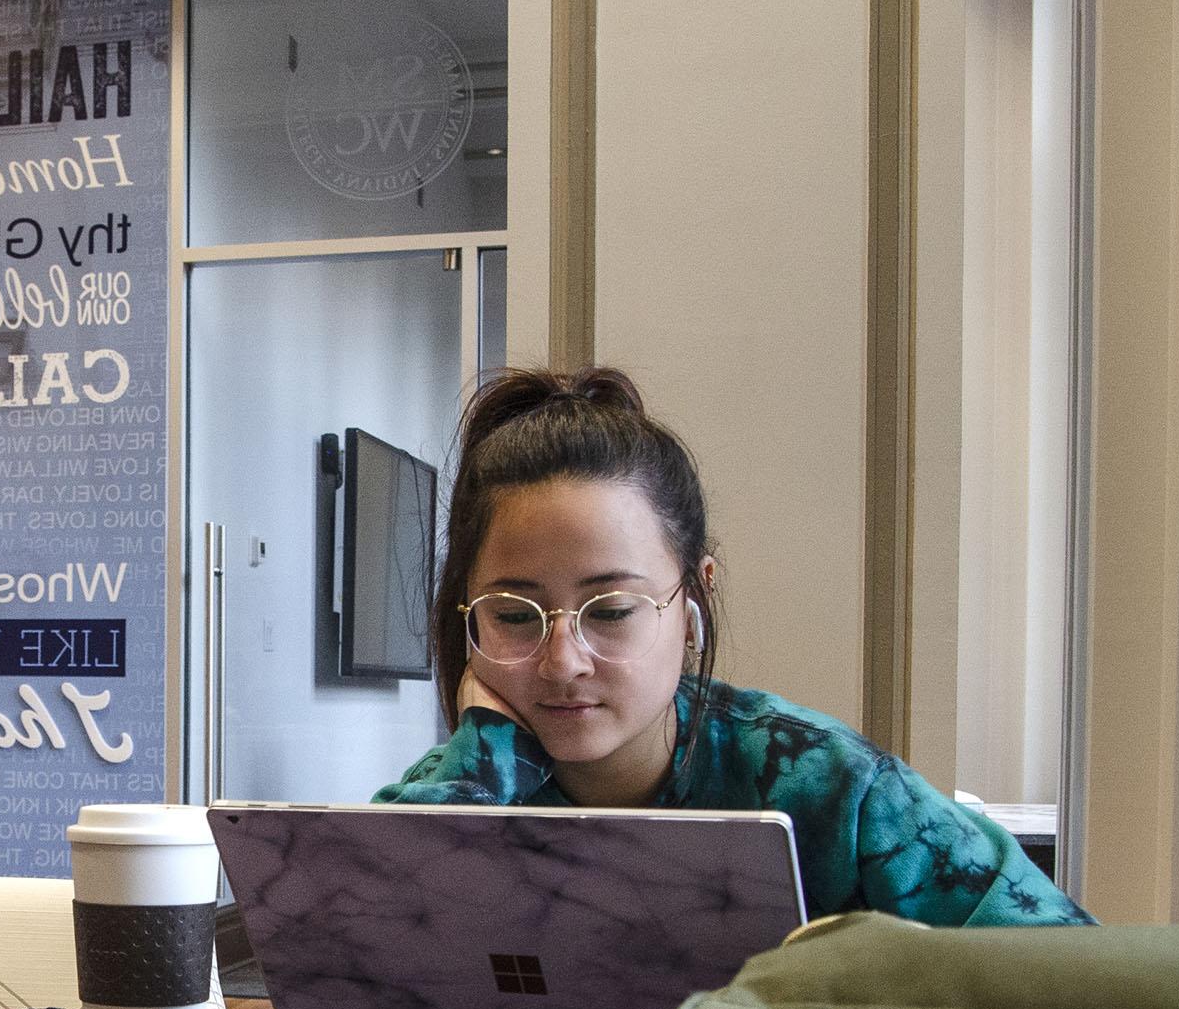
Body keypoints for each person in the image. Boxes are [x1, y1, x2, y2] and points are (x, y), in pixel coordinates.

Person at [376, 367, 1090, 927]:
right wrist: (491, 744)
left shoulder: (829, 788)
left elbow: (1073, 981)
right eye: (516, 615)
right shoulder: (461, 784)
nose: (563, 661)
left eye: (613, 610)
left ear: (693, 601)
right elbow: (364, 961)